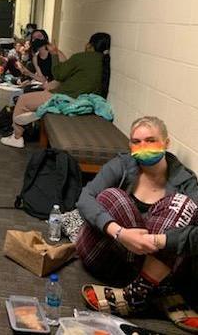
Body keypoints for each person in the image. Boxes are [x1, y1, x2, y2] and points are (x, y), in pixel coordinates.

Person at [76, 117, 198, 333]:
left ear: (166, 143)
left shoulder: (185, 180)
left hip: (150, 261)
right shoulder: (121, 165)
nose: (143, 147)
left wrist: (158, 240)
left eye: (151, 140)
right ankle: (161, 291)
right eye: (136, 142)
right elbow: (85, 198)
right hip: (107, 254)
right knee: (114, 197)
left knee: (183, 205)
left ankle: (137, 294)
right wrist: (119, 233)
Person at [0, 32, 110, 148]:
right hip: (63, 90)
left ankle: (17, 137)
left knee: (22, 99)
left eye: (40, 37)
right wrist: (29, 74)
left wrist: (54, 54)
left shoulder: (80, 57)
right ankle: (35, 113)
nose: (37, 39)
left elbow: (58, 74)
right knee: (29, 91)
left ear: (89, 45)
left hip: (66, 95)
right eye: (35, 37)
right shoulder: (102, 60)